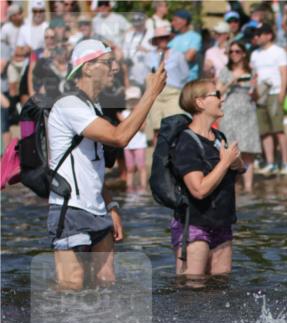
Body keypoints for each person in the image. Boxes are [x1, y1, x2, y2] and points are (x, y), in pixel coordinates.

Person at [46, 40, 167, 289]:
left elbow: (92, 169)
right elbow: (119, 137)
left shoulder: (94, 107)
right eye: (108, 62)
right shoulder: (68, 104)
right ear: (88, 68)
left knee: (106, 282)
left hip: (98, 209)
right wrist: (151, 93)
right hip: (70, 209)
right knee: (71, 285)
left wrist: (111, 205)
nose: (115, 68)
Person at [172, 79, 243, 277]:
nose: (222, 99)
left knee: (221, 287)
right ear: (199, 102)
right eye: (216, 94)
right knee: (192, 287)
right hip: (194, 225)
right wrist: (225, 163)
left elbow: (230, 178)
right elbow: (199, 190)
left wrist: (236, 163)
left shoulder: (219, 137)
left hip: (222, 222)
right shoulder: (186, 141)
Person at [217, 39, 261, 192]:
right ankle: (233, 186)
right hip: (229, 112)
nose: (234, 54)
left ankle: (248, 187)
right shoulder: (225, 71)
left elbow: (256, 97)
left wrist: (254, 87)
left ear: (243, 53)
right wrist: (231, 82)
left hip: (247, 112)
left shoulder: (251, 70)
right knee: (231, 151)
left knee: (247, 150)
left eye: (237, 51)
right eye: (231, 52)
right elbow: (217, 93)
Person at [250, 24, 287, 176]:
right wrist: (253, 92)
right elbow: (254, 75)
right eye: (256, 34)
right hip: (260, 94)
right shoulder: (254, 54)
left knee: (278, 130)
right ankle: (270, 162)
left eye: (260, 34)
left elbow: (284, 73)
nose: (257, 37)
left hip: (274, 92)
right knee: (264, 131)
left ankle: (285, 162)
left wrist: (282, 93)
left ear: (269, 35)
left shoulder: (279, 51)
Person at [145, 24, 187, 143]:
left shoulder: (177, 55)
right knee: (157, 128)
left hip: (173, 93)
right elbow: (147, 75)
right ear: (156, 40)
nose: (163, 40)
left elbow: (185, 74)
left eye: (165, 37)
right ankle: (159, 153)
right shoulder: (149, 56)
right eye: (160, 38)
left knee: (176, 126)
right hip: (155, 94)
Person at [120, 87, 147, 192]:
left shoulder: (142, 113)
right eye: (131, 100)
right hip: (128, 145)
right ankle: (129, 187)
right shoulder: (124, 113)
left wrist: (134, 115)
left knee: (141, 167)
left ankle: (143, 187)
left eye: (135, 100)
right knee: (130, 168)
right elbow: (123, 128)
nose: (133, 103)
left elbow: (142, 127)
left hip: (139, 145)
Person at [168, 9, 202, 82]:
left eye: (175, 20)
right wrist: (183, 54)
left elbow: (189, 57)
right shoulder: (173, 38)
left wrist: (172, 56)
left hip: (188, 81)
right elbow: (165, 57)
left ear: (184, 21)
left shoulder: (195, 37)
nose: (172, 23)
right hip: (172, 81)